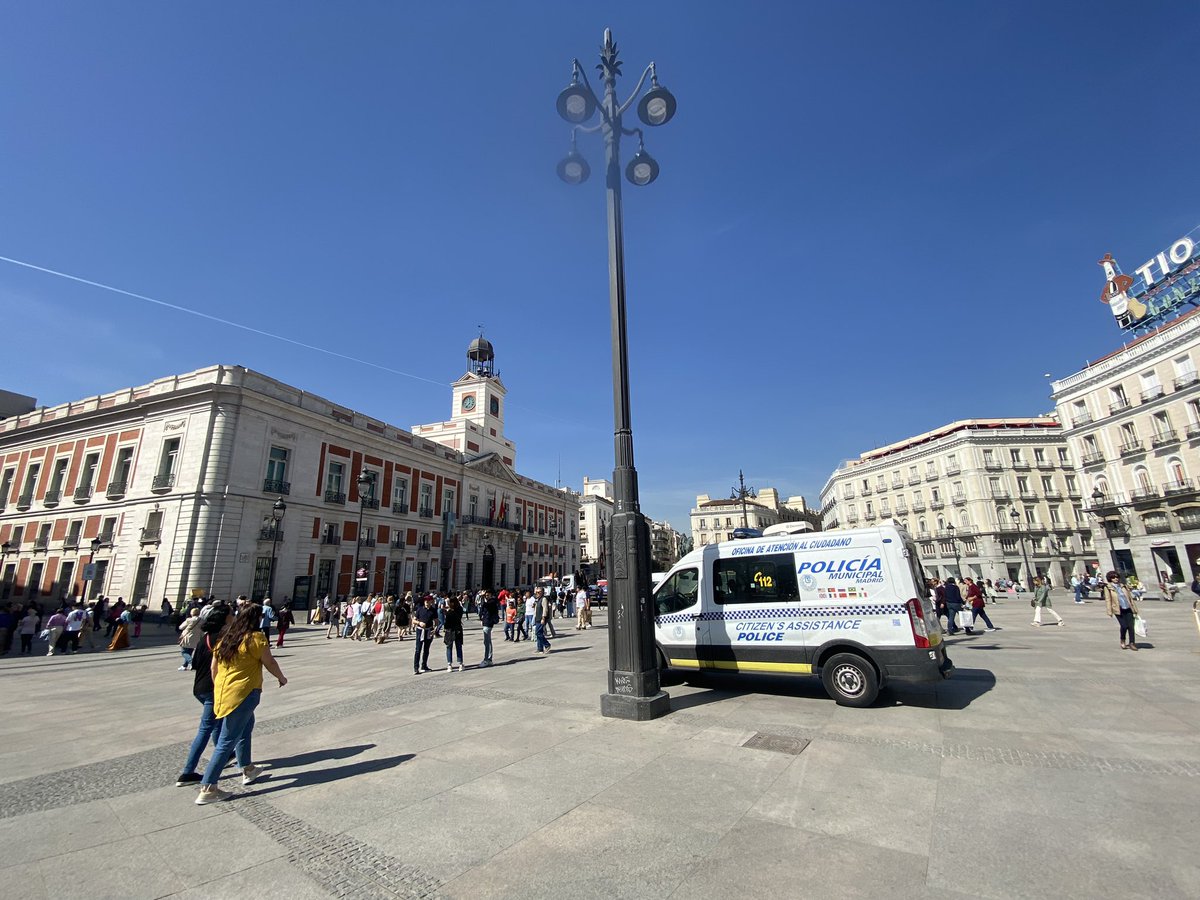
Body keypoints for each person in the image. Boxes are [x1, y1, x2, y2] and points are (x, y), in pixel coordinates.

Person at [195, 603, 287, 804]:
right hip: (244, 692)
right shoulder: (255, 638)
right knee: (226, 742)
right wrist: (281, 678)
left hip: (224, 691)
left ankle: (248, 768)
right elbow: (269, 662)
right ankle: (208, 787)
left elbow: (214, 668)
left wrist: (220, 687)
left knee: (245, 728)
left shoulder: (226, 637)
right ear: (257, 619)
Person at [1101, 570, 1139, 650]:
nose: (1116, 579)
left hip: (1128, 608)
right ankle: (1123, 640)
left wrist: (1134, 608)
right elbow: (1108, 599)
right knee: (1124, 626)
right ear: (1110, 578)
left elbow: (1130, 598)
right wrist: (1109, 611)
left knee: (1131, 627)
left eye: (1117, 577)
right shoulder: (1108, 587)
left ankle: (1132, 643)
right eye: (1113, 577)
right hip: (1118, 609)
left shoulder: (1123, 586)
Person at [413, 595, 437, 674]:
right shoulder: (420, 609)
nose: (426, 602)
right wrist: (419, 623)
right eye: (425, 600)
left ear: (431, 601)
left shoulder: (433, 610)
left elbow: (436, 622)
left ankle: (424, 666)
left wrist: (435, 630)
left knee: (426, 649)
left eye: (428, 600)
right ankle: (416, 668)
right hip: (420, 631)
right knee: (418, 649)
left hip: (429, 631)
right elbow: (413, 620)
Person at [443, 595, 465, 671]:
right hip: (457, 629)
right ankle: (460, 663)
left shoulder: (449, 612)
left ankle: (450, 664)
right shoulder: (460, 609)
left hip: (450, 630)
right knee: (458, 646)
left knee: (449, 647)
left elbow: (446, 622)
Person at [479, 590, 499, 667]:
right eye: (486, 595)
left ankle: (487, 659)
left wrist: (482, 597)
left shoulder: (492, 602)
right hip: (486, 622)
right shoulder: (488, 602)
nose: (486, 597)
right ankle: (489, 658)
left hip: (488, 623)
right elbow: (482, 610)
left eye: (487, 595)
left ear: (491, 595)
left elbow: (485, 606)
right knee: (487, 641)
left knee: (487, 642)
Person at [535, 588, 554, 654]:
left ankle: (547, 645)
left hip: (541, 618)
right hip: (537, 618)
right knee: (539, 633)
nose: (537, 593)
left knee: (538, 633)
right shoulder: (538, 600)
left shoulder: (544, 599)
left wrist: (543, 618)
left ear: (542, 592)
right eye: (536, 592)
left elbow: (545, 609)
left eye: (539, 592)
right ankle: (540, 649)